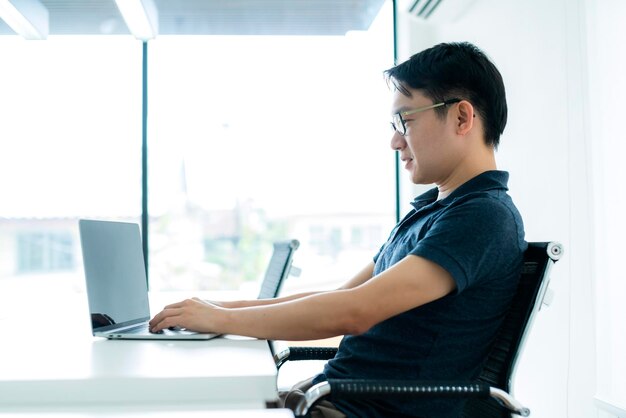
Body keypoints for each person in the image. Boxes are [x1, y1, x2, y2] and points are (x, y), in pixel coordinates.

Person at [149, 41, 527, 418]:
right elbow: (344, 296)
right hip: (335, 401)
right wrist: (214, 309)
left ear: (462, 118)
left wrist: (221, 320)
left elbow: (355, 312)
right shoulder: (434, 211)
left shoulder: (482, 217)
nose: (396, 141)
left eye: (406, 121)